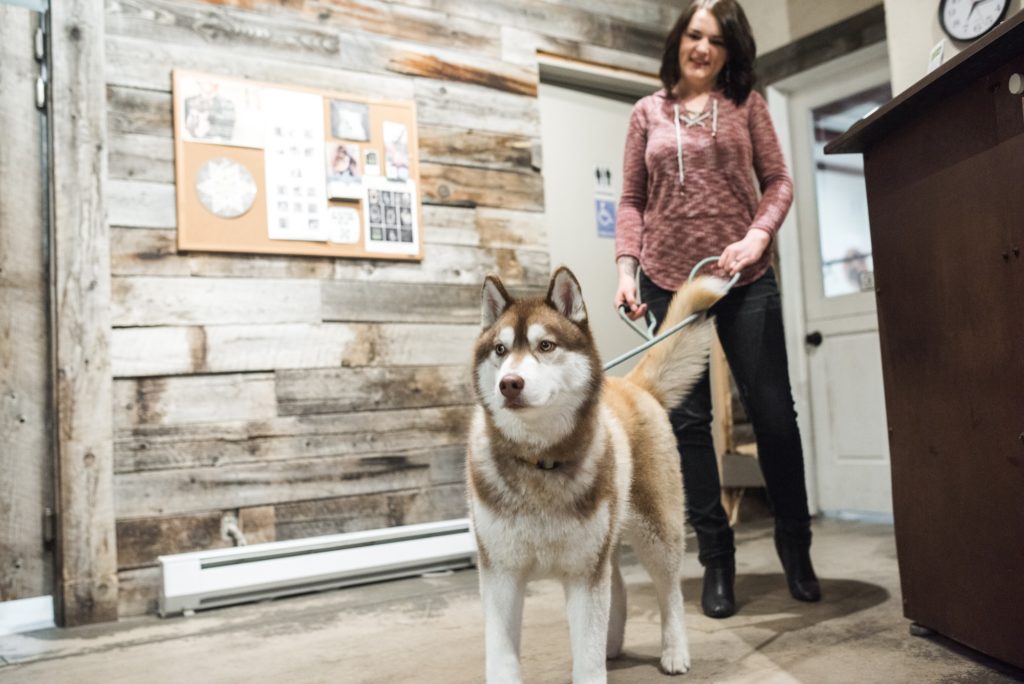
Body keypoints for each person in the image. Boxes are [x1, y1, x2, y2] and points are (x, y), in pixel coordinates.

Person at [613, 0, 820, 619]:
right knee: (686, 424)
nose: (702, 48)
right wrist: (626, 268)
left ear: (731, 51)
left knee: (774, 415)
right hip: (666, 282)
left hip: (744, 277)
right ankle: (717, 560)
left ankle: (795, 546)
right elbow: (631, 200)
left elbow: (778, 181)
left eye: (717, 40)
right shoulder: (647, 112)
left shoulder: (746, 105)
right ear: (678, 40)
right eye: (694, 35)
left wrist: (758, 236)